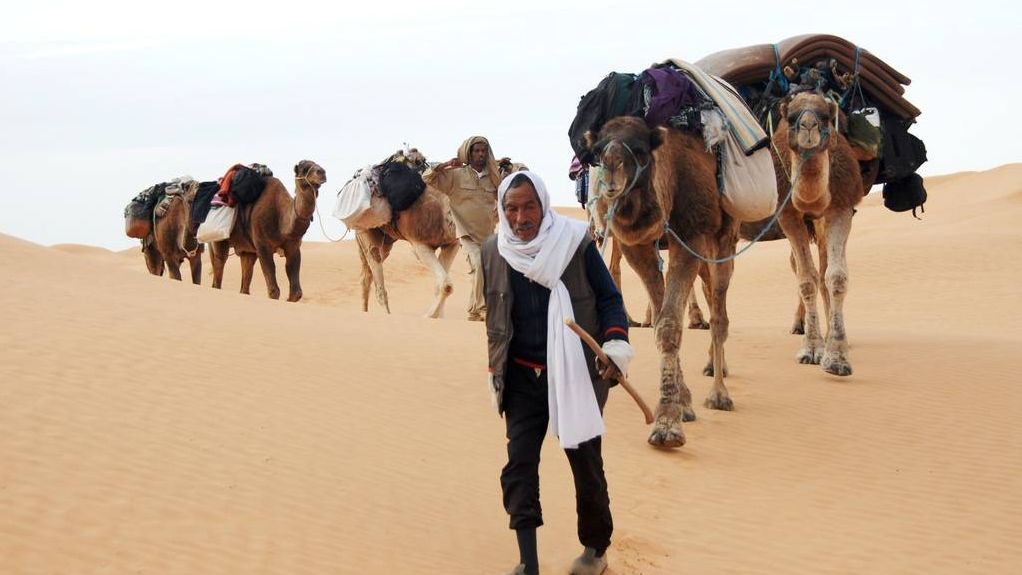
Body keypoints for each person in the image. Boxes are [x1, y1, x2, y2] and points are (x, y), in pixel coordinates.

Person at [482, 171, 634, 575]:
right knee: (519, 466)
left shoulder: (574, 243)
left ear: (543, 205)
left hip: (572, 375)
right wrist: (494, 368)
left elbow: (610, 301)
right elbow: (495, 319)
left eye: (529, 206)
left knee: (585, 464)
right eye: (511, 208)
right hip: (520, 378)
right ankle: (527, 561)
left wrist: (615, 345)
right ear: (502, 209)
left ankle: (595, 550)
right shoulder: (492, 252)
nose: (520, 217)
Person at [423, 136, 521, 321]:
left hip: (487, 234)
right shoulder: (456, 175)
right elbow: (427, 178)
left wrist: (506, 167)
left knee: (483, 271)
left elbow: (511, 189)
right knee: (477, 264)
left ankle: (473, 310)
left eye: (483, 151)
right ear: (469, 153)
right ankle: (481, 310)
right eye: (476, 151)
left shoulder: (493, 177)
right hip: (466, 233)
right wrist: (445, 165)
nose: (480, 154)